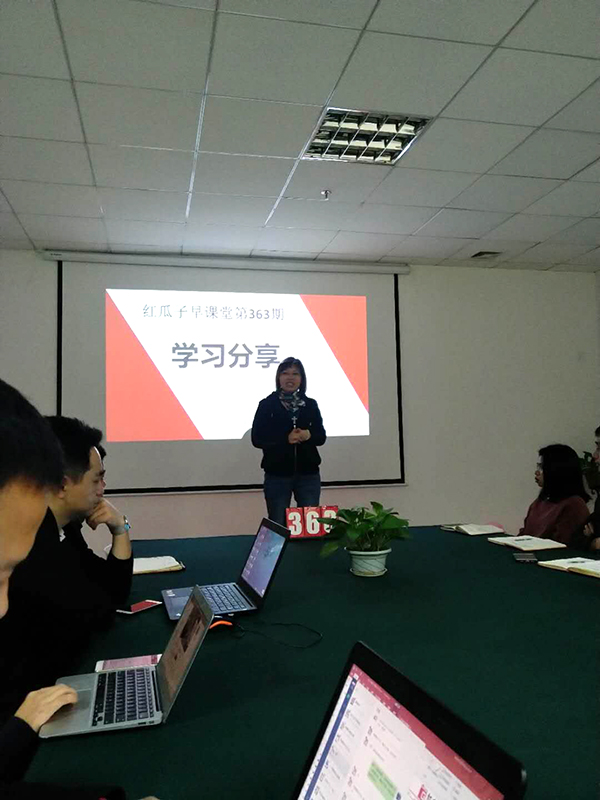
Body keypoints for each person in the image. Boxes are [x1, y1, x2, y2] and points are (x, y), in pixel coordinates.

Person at [0, 379, 129, 799]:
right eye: (96, 478)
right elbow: (101, 609)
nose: (4, 605)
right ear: (59, 484)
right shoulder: (36, 547)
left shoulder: (59, 530)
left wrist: (120, 530)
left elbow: (107, 597)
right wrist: (19, 728)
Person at [251, 357, 326, 526]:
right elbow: (257, 438)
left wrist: (308, 435)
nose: (290, 378)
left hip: (308, 474)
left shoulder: (310, 404)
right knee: (277, 522)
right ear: (278, 377)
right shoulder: (267, 405)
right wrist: (285, 439)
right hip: (277, 474)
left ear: (302, 378)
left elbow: (321, 436)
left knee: (309, 524)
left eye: (295, 374)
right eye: (285, 373)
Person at [519, 444, 590, 546]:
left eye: (542, 467)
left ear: (556, 470)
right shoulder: (541, 501)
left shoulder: (574, 504)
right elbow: (524, 534)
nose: (537, 472)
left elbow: (563, 545)